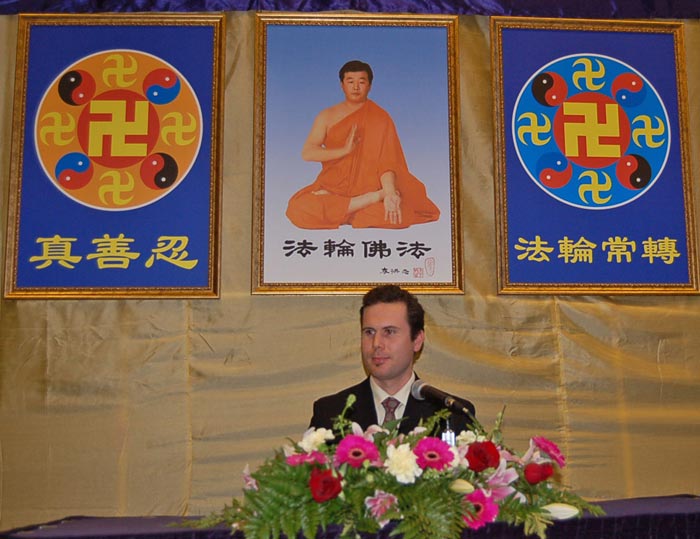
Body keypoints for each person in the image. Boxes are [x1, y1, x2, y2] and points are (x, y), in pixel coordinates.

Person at [286, 60, 440, 230]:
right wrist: (344, 150)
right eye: (350, 81)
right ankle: (366, 202)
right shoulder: (326, 116)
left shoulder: (380, 118)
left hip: (368, 188)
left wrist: (389, 193)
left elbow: (387, 163)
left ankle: (342, 208)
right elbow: (308, 153)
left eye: (361, 82)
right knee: (297, 209)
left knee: (401, 216)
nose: (355, 87)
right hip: (333, 187)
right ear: (342, 85)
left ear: (370, 86)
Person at [309, 285, 475, 436]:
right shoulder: (330, 413)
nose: (376, 344)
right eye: (369, 332)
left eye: (389, 332)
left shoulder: (452, 414)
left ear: (417, 340)